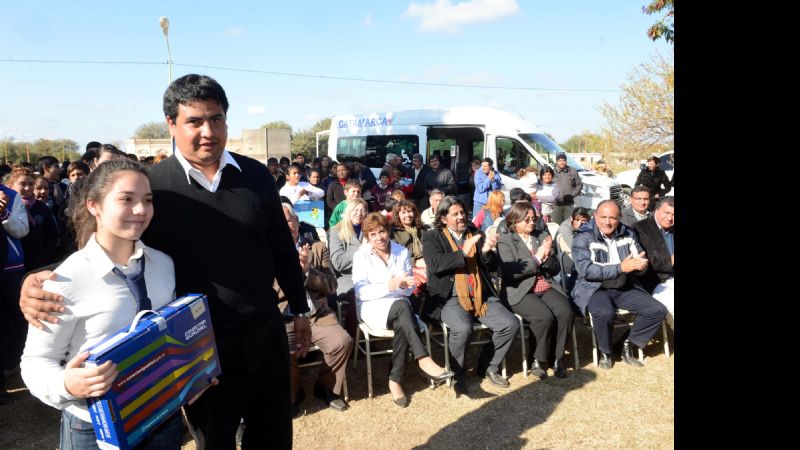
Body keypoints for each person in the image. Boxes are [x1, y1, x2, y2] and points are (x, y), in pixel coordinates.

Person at [19, 74, 311, 449]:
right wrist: (35, 279)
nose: (209, 131)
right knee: (216, 440)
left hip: (264, 332)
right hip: (200, 348)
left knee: (273, 436)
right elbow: (106, 244)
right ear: (171, 124)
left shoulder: (254, 175)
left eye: (217, 118)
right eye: (195, 121)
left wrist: (300, 308)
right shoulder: (153, 188)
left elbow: (281, 248)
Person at [20, 159, 185, 450]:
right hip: (94, 425)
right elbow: (35, 361)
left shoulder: (163, 264)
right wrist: (67, 385)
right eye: (126, 199)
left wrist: (189, 374)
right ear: (94, 205)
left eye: (147, 200)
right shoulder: (66, 280)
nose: (140, 210)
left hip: (161, 414)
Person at [352, 213, 453, 407]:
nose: (379, 237)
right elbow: (360, 291)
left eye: (381, 231)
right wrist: (389, 286)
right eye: (373, 234)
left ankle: (395, 380)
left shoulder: (401, 251)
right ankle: (423, 358)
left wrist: (403, 285)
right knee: (402, 309)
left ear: (388, 231)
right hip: (374, 308)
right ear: (367, 237)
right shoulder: (361, 256)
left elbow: (407, 289)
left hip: (400, 306)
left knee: (402, 317)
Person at [421, 196, 518, 394]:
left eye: (463, 213)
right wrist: (462, 253)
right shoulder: (432, 237)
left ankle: (488, 366)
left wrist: (486, 251)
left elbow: (491, 268)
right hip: (449, 297)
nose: (461, 217)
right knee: (463, 329)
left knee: (510, 324)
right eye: (455, 214)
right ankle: (458, 373)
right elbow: (436, 265)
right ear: (443, 219)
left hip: (480, 295)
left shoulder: (475, 232)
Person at [571, 200, 667, 369]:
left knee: (656, 310)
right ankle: (605, 351)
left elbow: (638, 260)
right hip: (595, 287)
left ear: (620, 217)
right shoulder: (583, 236)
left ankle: (627, 344)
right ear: (595, 216)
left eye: (613, 218)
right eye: (603, 217)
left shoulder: (628, 232)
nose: (608, 222)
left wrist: (640, 266)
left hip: (624, 284)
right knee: (604, 312)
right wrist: (621, 267)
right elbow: (587, 271)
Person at [277, 203, 351, 414]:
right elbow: (269, 291)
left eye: (289, 220)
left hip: (317, 315)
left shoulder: (318, 248)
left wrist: (309, 271)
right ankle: (294, 392)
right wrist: (292, 272)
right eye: (281, 221)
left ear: (297, 223)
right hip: (286, 317)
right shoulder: (270, 252)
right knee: (284, 350)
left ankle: (326, 387)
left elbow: (332, 285)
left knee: (342, 342)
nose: (286, 225)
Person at [497, 202, 574, 379]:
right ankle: (538, 360)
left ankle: (557, 358)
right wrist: (539, 257)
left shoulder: (541, 236)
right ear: (514, 221)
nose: (532, 223)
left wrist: (548, 257)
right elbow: (512, 272)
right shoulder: (506, 241)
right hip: (519, 289)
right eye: (527, 220)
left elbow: (554, 269)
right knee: (543, 316)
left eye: (534, 219)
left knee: (565, 312)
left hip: (543, 284)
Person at [1, 176, 30, 402]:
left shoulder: (10, 196)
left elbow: (21, 230)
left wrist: (4, 215)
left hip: (11, 267)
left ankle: (21, 363)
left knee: (17, 318)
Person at [633, 197, 674, 329]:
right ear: (656, 210)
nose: (670, 218)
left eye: (674, 214)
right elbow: (644, 262)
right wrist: (670, 261)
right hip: (655, 280)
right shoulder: (640, 228)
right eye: (666, 213)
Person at [329, 199, 368, 296]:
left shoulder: (370, 230)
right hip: (348, 277)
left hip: (370, 273)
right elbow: (338, 263)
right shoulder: (336, 231)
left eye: (362, 210)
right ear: (349, 211)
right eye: (355, 210)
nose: (359, 213)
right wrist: (361, 249)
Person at [390, 200, 428, 294]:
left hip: (427, 262)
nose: (408, 215)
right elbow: (395, 254)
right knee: (416, 286)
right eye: (403, 212)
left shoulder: (423, 229)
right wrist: (415, 262)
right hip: (408, 266)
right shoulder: (394, 232)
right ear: (398, 215)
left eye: (410, 211)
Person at [556, 207, 590, 278]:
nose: (580, 223)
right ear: (571, 218)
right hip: (565, 258)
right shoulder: (565, 227)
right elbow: (574, 246)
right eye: (577, 220)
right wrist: (579, 230)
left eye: (583, 220)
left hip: (582, 255)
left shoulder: (587, 225)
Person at [551, 153, 583, 225]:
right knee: (556, 225)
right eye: (559, 160)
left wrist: (572, 194)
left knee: (569, 225)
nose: (562, 162)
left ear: (566, 161)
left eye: (563, 160)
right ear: (556, 161)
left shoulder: (572, 171)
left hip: (569, 204)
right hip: (556, 205)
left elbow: (579, 185)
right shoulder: (552, 172)